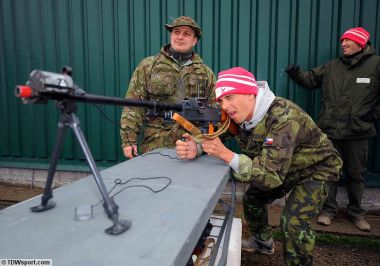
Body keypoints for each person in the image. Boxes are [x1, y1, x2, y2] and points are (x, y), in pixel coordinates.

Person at [176, 67, 342, 265]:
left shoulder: (283, 118)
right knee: (253, 198)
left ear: (249, 93)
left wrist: (226, 154)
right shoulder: (240, 115)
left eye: (230, 97)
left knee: (293, 223)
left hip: (316, 170)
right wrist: (196, 146)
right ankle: (262, 242)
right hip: (283, 167)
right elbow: (216, 135)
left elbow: (270, 176)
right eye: (221, 100)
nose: (225, 106)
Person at [285, 27, 380, 232]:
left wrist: (377, 113)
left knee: (356, 174)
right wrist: (296, 73)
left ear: (361, 43)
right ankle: (328, 211)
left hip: (358, 132)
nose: (343, 45)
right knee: (330, 173)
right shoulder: (332, 66)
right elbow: (310, 81)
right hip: (330, 131)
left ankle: (357, 213)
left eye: (348, 41)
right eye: (342, 41)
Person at [120, 16, 216, 158]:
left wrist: (199, 145)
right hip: (155, 145)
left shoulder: (205, 73)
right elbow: (133, 105)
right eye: (176, 32)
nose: (180, 37)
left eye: (186, 34)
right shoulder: (149, 66)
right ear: (171, 35)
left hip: (190, 149)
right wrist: (128, 140)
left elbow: (215, 112)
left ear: (194, 40)